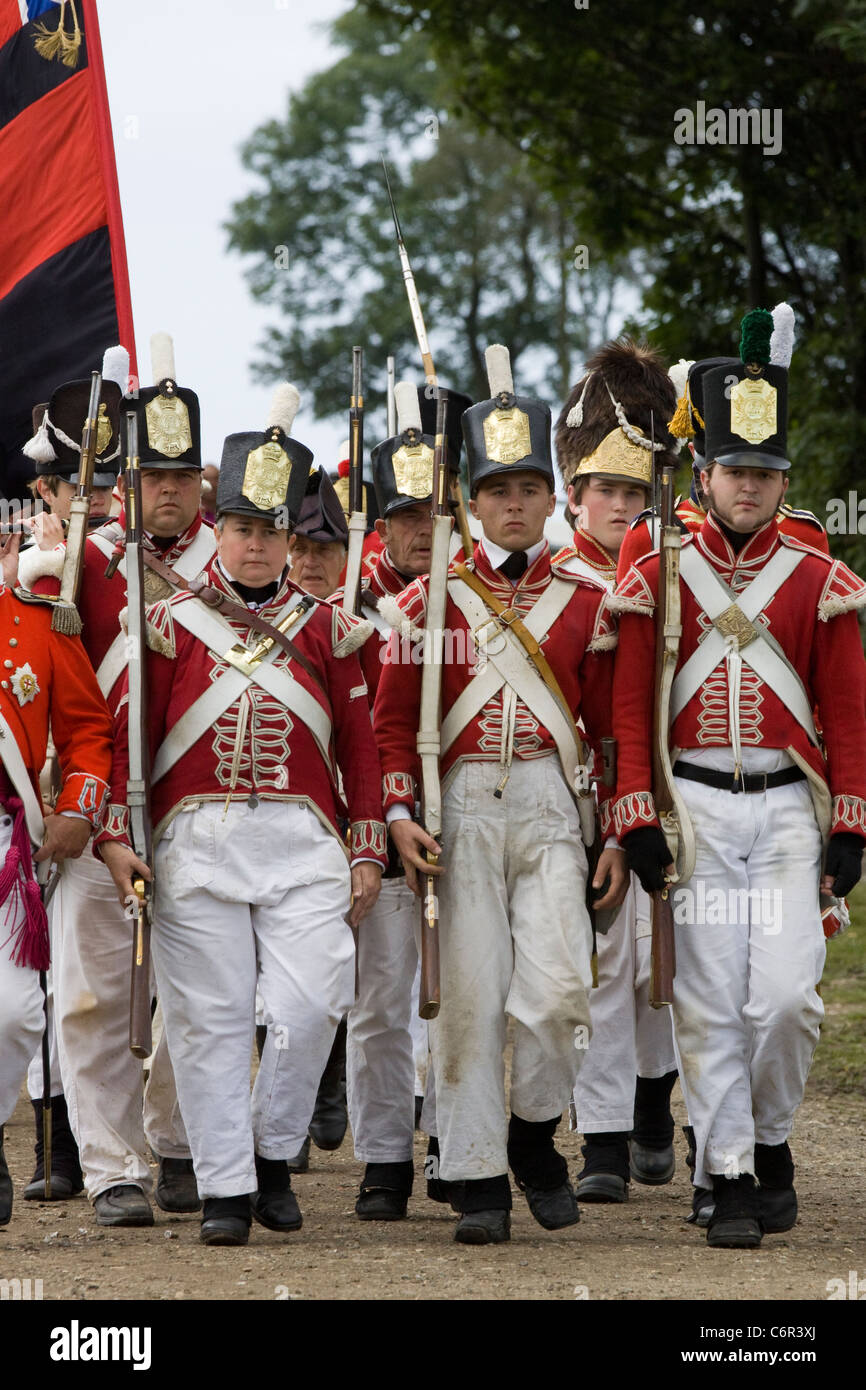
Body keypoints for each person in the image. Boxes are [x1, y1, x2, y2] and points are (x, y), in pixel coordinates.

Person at [99, 385, 387, 1247]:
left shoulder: (330, 626)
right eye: (243, 529)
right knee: (208, 1021)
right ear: (218, 532)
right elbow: (129, 741)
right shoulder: (165, 624)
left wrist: (365, 845)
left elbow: (363, 747)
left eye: (273, 533)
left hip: (303, 841)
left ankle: (267, 1150)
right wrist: (121, 838)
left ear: (290, 541)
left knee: (313, 1001)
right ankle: (226, 1191)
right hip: (197, 842)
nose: (258, 546)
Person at [610, 309, 866, 1249]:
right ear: (706, 474)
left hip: (789, 812)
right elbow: (632, 700)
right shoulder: (656, 562)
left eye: (764, 473)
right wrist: (636, 808)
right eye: (733, 471)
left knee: (789, 1000)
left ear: (780, 481)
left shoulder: (816, 571)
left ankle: (770, 1137)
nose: (748, 487)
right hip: (698, 811)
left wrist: (855, 824)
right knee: (713, 1002)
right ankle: (727, 1174)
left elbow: (846, 709)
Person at [374, 346, 627, 1245]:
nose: (514, 505)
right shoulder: (427, 604)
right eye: (496, 491)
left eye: (528, 489)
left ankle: (530, 1134)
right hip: (460, 810)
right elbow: (392, 727)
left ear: (552, 498)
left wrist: (617, 829)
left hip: (556, 807)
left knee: (560, 994)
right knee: (471, 998)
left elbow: (607, 727)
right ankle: (476, 1174)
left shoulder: (590, 599)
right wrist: (400, 815)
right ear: (470, 503)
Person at [20, 335, 213, 1226]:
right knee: (94, 989)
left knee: (201, 991)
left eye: (181, 474)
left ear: (202, 479)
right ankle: (109, 1166)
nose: (166, 489)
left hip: (203, 803)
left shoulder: (246, 559)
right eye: (150, 475)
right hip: (97, 799)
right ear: (124, 479)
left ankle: (175, 1143)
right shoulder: (77, 567)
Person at [554, 339, 681, 1202]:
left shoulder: (681, 569)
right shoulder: (551, 579)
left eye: (638, 491)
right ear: (576, 492)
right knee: (599, 960)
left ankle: (653, 1099)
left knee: (665, 962)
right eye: (609, 490)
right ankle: (601, 1137)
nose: (622, 506)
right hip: (575, 788)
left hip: (663, 784)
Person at [0, 532, 112, 1228]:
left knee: (14, 1013)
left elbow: (89, 733)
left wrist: (78, 808)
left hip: (10, 844)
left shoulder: (37, 624)